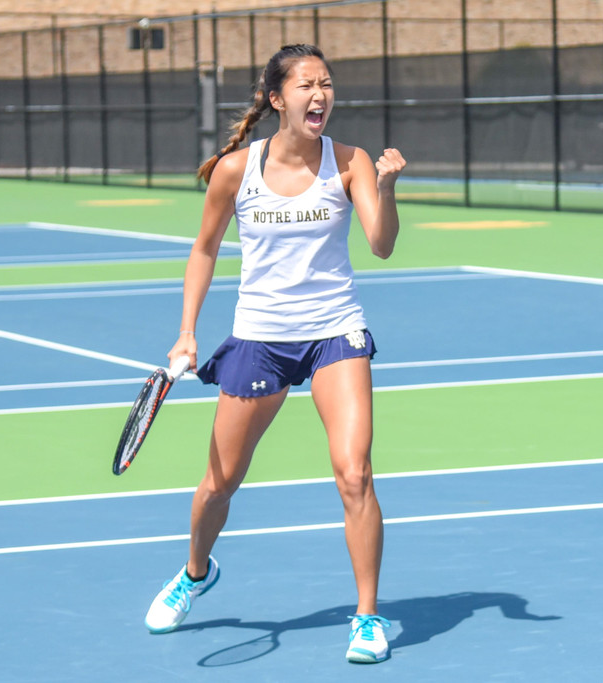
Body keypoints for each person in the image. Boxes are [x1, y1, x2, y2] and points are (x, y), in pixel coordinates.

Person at [143, 43, 406, 664]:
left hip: (334, 332)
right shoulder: (236, 170)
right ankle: (195, 572)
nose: (320, 95)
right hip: (260, 337)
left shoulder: (350, 161)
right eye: (307, 84)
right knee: (219, 484)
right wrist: (187, 331)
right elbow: (204, 249)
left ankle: (367, 617)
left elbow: (381, 244)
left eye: (327, 83)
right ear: (277, 98)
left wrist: (387, 188)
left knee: (355, 473)